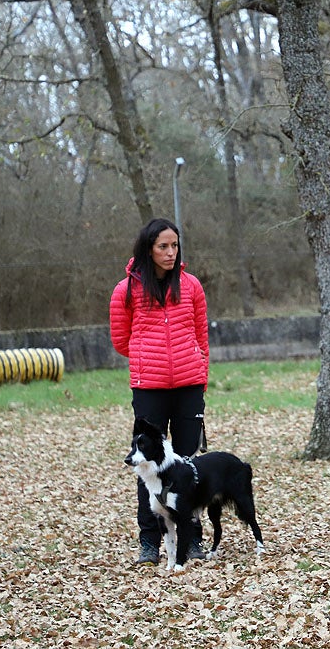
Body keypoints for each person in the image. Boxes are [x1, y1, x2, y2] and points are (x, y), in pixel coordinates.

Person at [109, 218, 210, 565]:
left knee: (189, 465)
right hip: (149, 388)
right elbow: (121, 340)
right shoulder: (126, 290)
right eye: (163, 246)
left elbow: (201, 337)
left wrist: (199, 373)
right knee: (148, 466)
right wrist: (148, 359)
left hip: (189, 386)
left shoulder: (192, 286)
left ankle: (192, 539)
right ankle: (149, 542)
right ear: (148, 249)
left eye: (174, 245)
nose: (170, 252)